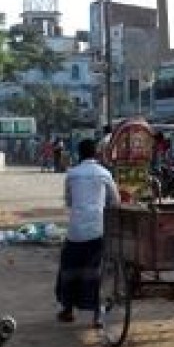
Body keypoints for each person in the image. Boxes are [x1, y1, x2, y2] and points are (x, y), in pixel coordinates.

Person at [55, 138, 121, 327]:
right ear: (96, 154)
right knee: (98, 273)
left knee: (68, 268)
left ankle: (68, 309)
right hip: (97, 231)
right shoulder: (104, 173)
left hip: (75, 232)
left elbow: (69, 201)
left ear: (80, 154)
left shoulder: (72, 174)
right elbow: (115, 201)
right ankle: (98, 314)